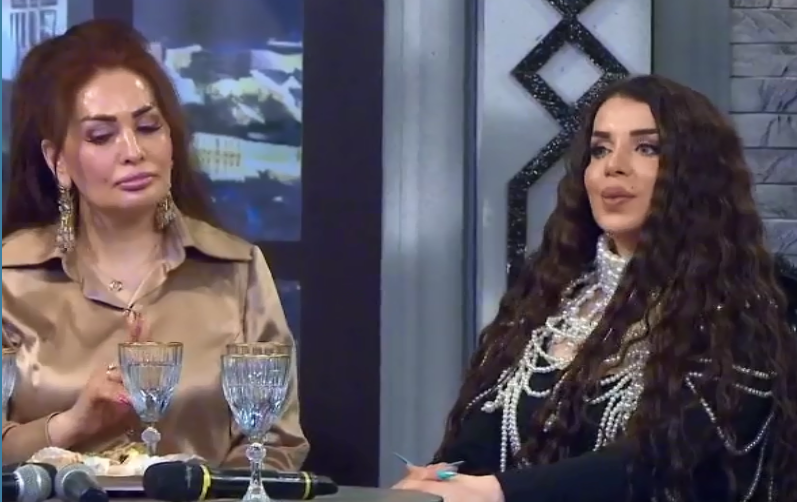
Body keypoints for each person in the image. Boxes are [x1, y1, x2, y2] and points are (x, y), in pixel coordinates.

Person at [394, 75, 797, 501]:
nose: (613, 166)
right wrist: (443, 478)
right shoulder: (552, 298)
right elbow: (483, 433)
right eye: (600, 149)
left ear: (698, 173)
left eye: (647, 148)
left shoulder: (747, 307)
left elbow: (663, 456)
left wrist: (497, 492)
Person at [1, 19, 309, 469]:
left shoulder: (235, 269)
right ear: (58, 161)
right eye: (101, 136)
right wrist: (67, 427)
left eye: (148, 127)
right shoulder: (11, 278)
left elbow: (278, 443)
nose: (133, 151)